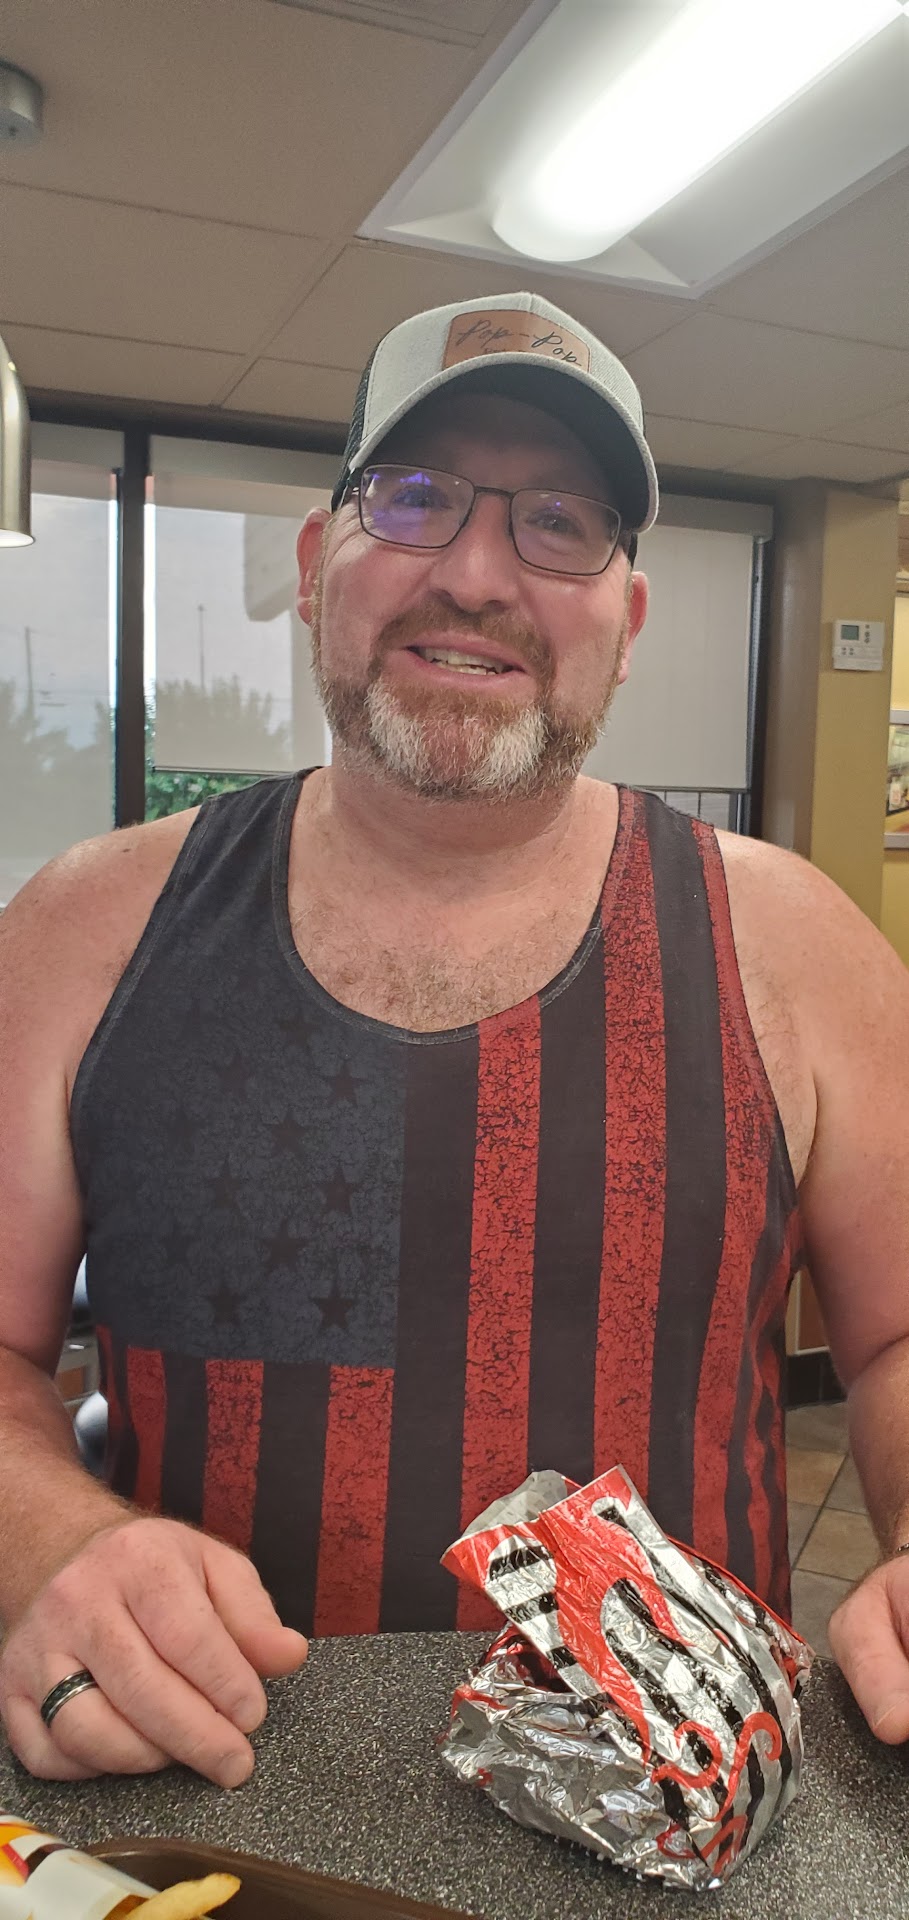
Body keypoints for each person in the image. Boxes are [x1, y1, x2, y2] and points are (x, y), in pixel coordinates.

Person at [0, 289, 907, 1794]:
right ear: (318, 566)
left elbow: (893, 1339)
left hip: (685, 1825)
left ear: (626, 622)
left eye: (561, 523)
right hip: (190, 1796)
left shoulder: (796, 944)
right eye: (414, 498)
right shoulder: (83, 928)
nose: (477, 575)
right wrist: (48, 1535)